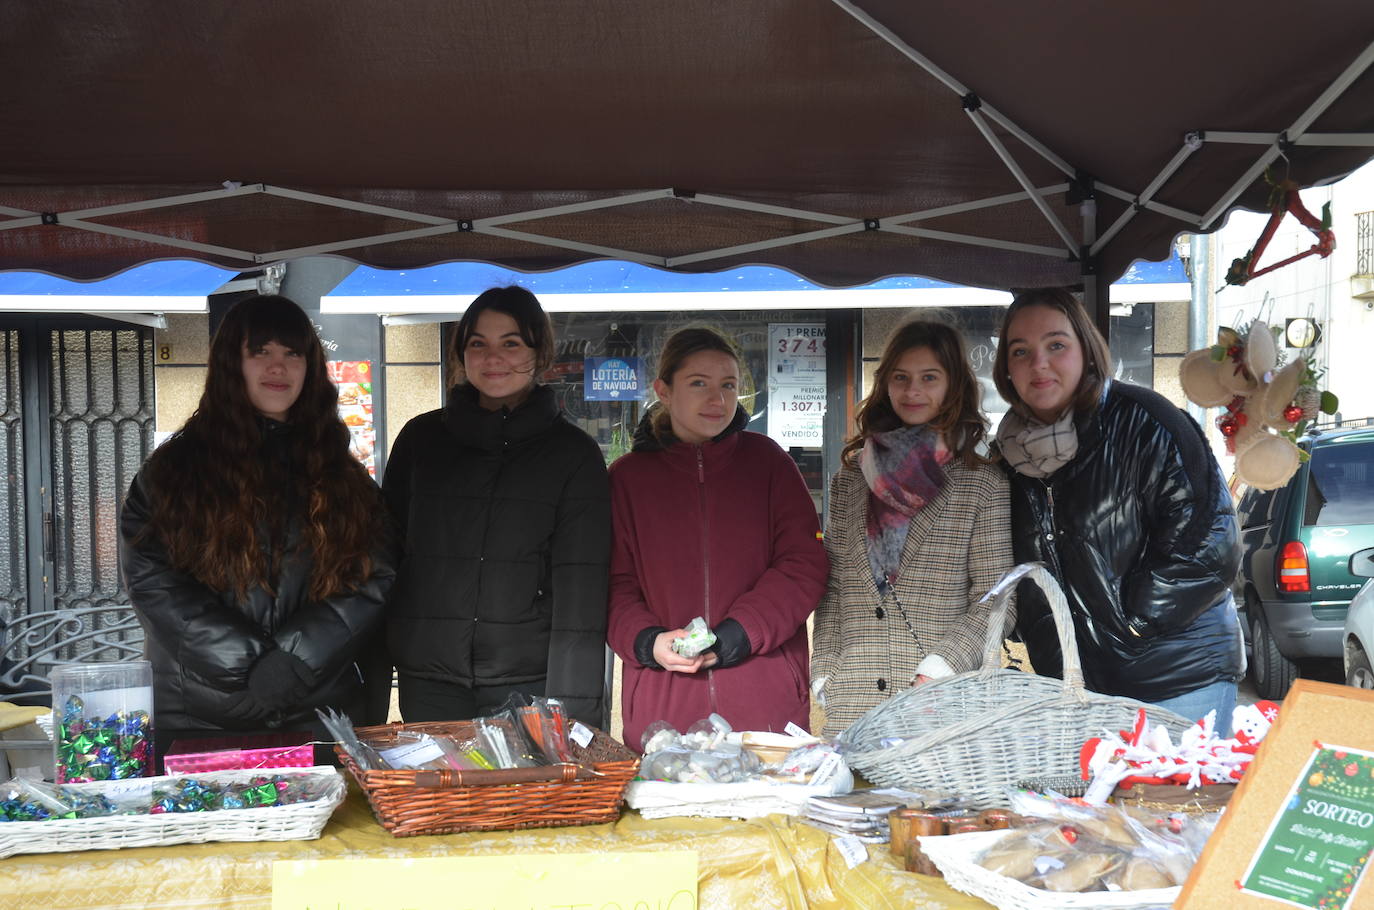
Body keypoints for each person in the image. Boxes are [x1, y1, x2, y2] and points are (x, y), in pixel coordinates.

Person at [120, 294, 396, 755]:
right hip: (195, 716)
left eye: (292, 353)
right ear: (233, 362)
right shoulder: (172, 471)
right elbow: (152, 579)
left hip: (317, 712)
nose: (278, 367)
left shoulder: (343, 475)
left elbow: (372, 576)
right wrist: (247, 665)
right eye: (260, 352)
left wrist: (293, 664)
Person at [993, 288, 1243, 734]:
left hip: (1177, 680)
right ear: (1006, 370)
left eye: (1056, 345)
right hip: (1075, 692)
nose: (1039, 364)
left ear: (1087, 352)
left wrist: (1133, 623)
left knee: (1176, 804)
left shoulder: (1146, 420)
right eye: (1020, 351)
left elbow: (1210, 541)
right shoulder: (1006, 458)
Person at [380, 286, 610, 728]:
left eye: (511, 343)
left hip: (528, 680)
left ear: (539, 353)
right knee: (440, 798)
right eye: (477, 344)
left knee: (521, 799)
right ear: (460, 354)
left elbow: (582, 587)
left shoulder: (573, 454)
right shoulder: (422, 440)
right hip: (430, 677)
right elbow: (387, 554)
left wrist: (576, 709)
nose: (493, 358)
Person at [606, 326, 828, 750]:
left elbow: (803, 564)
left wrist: (739, 634)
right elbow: (613, 586)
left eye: (729, 386)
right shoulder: (627, 480)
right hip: (662, 714)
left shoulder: (769, 464)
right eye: (699, 384)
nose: (718, 399)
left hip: (764, 705)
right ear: (663, 391)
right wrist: (649, 643)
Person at [811, 320, 1014, 735]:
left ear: (953, 385)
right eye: (900, 378)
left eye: (929, 378)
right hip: (852, 701)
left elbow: (999, 598)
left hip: (939, 704)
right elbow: (834, 584)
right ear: (885, 383)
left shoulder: (982, 481)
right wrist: (825, 669)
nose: (912, 391)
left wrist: (940, 667)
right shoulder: (852, 478)